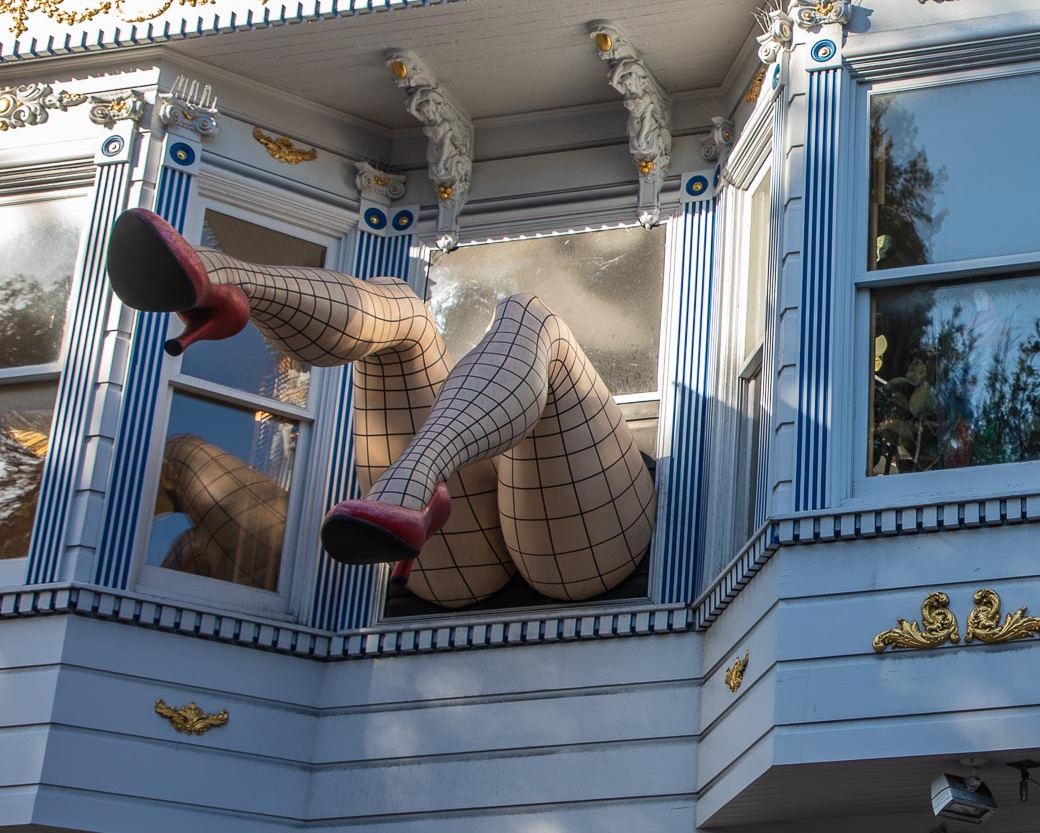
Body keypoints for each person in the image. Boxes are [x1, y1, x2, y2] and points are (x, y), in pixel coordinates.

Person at [105, 207, 657, 608]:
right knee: (489, 315)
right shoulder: (198, 547)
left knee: (490, 317)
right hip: (471, 550)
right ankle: (414, 480)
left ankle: (226, 279)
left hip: (561, 553)